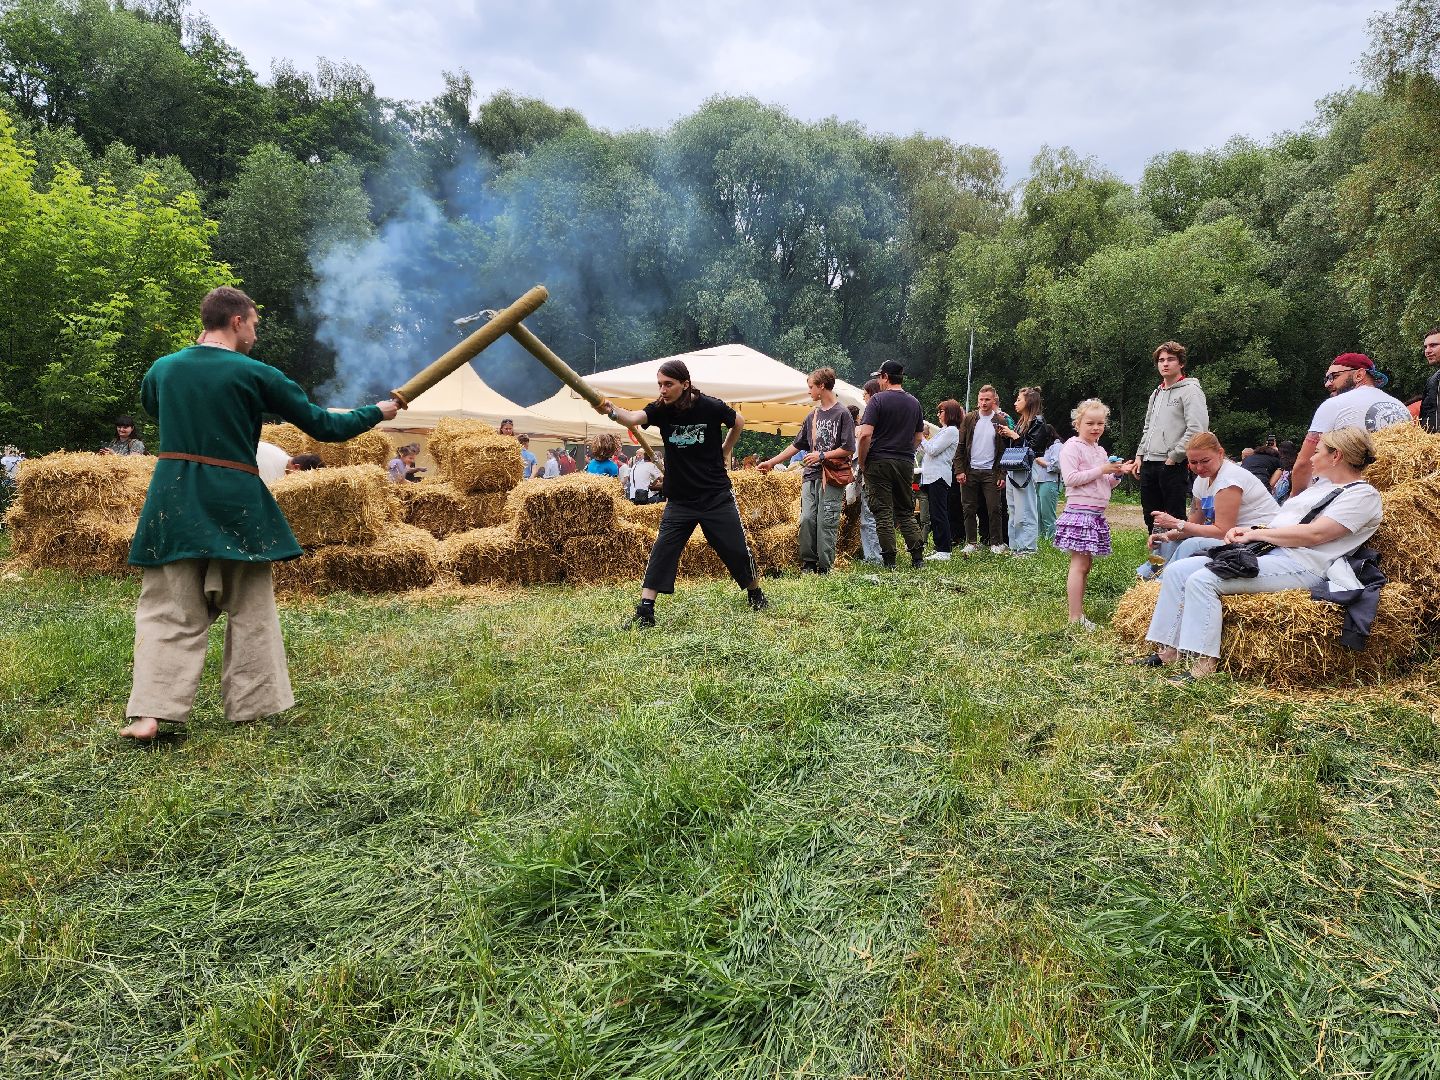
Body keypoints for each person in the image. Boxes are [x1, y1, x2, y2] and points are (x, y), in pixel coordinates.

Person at [119, 286, 399, 742]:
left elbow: (155, 407)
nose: (254, 334)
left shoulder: (163, 369)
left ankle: (150, 714)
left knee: (169, 609)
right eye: (253, 325)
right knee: (249, 608)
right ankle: (254, 707)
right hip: (233, 499)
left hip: (173, 498)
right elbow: (325, 426)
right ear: (236, 322)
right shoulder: (256, 373)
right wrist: (377, 411)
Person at [1137, 427, 1383, 682]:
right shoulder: (1318, 488)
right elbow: (1281, 524)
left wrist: (1257, 534)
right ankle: (1169, 652)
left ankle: (1204, 666)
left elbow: (1316, 535)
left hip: (1305, 564)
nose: (1311, 457)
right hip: (1271, 554)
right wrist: (1249, 533)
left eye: (1317, 451)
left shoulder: (1362, 495)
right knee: (1178, 571)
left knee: (1204, 580)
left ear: (1336, 456)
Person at [596, 358, 768, 625]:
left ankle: (755, 593)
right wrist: (611, 410)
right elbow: (632, 418)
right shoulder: (661, 409)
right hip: (680, 499)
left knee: (735, 548)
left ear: (685, 384)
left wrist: (724, 451)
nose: (662, 390)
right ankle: (645, 610)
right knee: (663, 550)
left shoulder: (709, 406)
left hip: (715, 495)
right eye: (660, 384)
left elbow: (740, 422)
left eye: (668, 384)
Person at [1141, 431, 1280, 576]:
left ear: (1220, 453)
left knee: (1192, 544)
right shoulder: (1202, 480)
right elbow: (1195, 524)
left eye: (1205, 461)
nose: (1199, 468)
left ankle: (1162, 584)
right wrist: (1168, 535)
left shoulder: (1229, 480)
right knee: (1166, 544)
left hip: (1259, 538)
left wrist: (1177, 523)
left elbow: (1222, 531)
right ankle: (1146, 581)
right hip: (1233, 536)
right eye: (1193, 462)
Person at [758, 367, 855, 574]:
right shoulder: (812, 416)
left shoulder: (843, 413)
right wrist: (772, 462)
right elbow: (797, 445)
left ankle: (825, 566)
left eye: (811, 387)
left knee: (826, 521)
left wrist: (822, 455)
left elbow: (848, 448)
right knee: (807, 519)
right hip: (810, 475)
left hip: (832, 476)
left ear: (822, 386)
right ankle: (808, 563)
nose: (809, 391)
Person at [1054, 399, 1135, 628]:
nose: (1096, 427)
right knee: (1079, 566)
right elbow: (1070, 479)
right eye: (1090, 423)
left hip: (1095, 514)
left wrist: (1117, 474)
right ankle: (1075, 617)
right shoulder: (1072, 446)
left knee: (1085, 566)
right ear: (1077, 423)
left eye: (1100, 423)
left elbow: (1105, 483)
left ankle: (1078, 613)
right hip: (1080, 513)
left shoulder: (1100, 450)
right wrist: (1103, 469)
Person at [1289, 353, 1412, 495]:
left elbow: (1305, 463)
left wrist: (1293, 500)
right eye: (1326, 378)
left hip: (1343, 497)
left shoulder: (1334, 404)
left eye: (1333, 376)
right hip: (1392, 496)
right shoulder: (1400, 406)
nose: (1327, 383)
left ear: (1359, 375)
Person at [1132, 340, 1208, 531]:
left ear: (1181, 363)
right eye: (1161, 360)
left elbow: (1197, 429)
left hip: (1172, 464)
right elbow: (1147, 427)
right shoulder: (1156, 392)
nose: (1165, 364)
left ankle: (1175, 559)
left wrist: (1174, 457)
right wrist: (1140, 455)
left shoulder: (1191, 390)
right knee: (1152, 517)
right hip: (1148, 462)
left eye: (1170, 359)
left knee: (1173, 518)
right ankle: (1156, 559)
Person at [855, 361, 925, 568]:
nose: (878, 380)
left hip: (878, 461)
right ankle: (917, 558)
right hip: (905, 462)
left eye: (879, 377)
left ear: (885, 377)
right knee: (905, 510)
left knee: (883, 512)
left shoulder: (877, 400)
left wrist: (862, 461)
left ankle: (890, 561)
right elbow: (919, 438)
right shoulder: (914, 402)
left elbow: (865, 434)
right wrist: (905, 452)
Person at [955, 385, 1011, 554]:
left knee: (995, 508)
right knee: (968, 507)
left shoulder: (1000, 421)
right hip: (970, 470)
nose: (984, 403)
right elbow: (961, 446)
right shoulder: (969, 418)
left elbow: (1003, 450)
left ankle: (996, 543)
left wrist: (1002, 473)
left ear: (994, 400)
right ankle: (971, 542)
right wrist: (959, 470)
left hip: (991, 472)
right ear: (977, 400)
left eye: (987, 399)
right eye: (981, 399)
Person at [998, 386, 1050, 556]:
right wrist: (1007, 436)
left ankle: (1028, 548)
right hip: (1014, 469)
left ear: (1029, 401)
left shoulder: (1039, 423)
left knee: (1025, 509)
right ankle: (1016, 546)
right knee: (1013, 509)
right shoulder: (1021, 422)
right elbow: (1016, 447)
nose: (1015, 403)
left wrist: (1014, 436)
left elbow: (1033, 450)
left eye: (1019, 399)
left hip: (1027, 470)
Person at [916, 400, 961, 561]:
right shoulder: (943, 431)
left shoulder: (952, 431)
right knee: (934, 513)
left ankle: (944, 549)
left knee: (939, 513)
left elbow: (933, 450)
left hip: (939, 476)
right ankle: (939, 547)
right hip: (931, 476)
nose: (938, 415)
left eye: (941, 411)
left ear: (949, 413)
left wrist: (920, 437)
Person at [848, 400, 882, 563]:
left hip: (868, 472)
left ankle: (874, 556)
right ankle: (878, 554)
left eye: (866, 395)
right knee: (875, 516)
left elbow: (864, 437)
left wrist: (860, 463)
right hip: (880, 470)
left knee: (868, 517)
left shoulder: (862, 430)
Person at [1034, 424, 1064, 542]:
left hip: (1050, 481)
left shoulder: (1057, 446)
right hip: (1040, 482)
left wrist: (1044, 463)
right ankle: (1040, 539)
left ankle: (1052, 539)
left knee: (1047, 514)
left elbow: (1059, 466)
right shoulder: (1045, 448)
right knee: (1038, 513)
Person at [1418, 328, 1440, 433]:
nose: (1427, 351)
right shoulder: (1432, 381)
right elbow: (1424, 416)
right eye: (1425, 347)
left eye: (1433, 345)